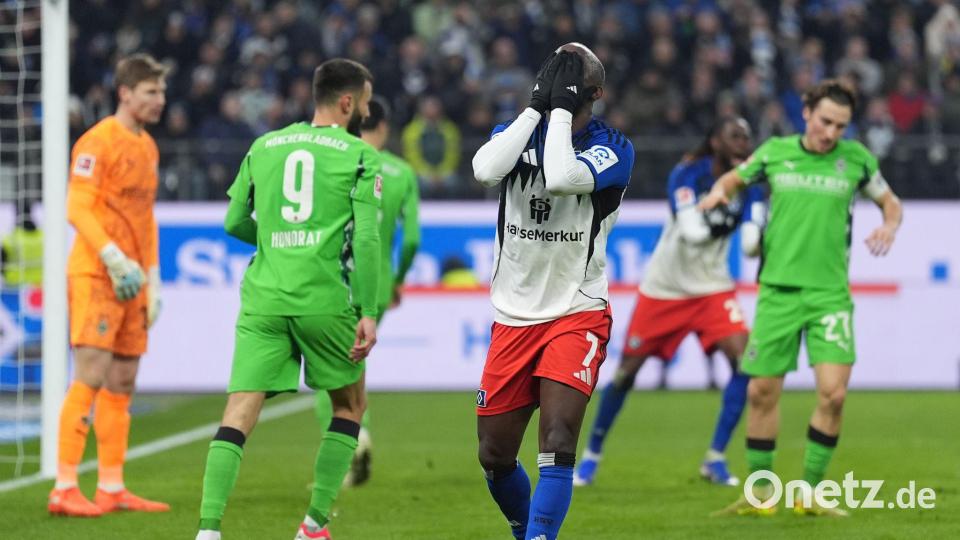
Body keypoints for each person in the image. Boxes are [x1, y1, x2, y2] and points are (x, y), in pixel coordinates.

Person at [194, 58, 381, 540]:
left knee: (238, 412)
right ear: (346, 102)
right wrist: (369, 311)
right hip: (324, 299)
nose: (367, 108)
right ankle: (313, 526)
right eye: (364, 99)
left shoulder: (265, 145)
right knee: (349, 406)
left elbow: (234, 221)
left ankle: (209, 530)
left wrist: (277, 241)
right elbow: (365, 241)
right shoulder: (359, 154)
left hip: (264, 298)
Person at [702, 79, 902, 516]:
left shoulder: (857, 160)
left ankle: (809, 493)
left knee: (834, 395)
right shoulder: (775, 152)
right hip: (777, 293)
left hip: (830, 296)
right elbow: (735, 178)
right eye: (826, 121)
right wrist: (721, 191)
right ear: (807, 112)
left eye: (841, 126)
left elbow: (891, 203)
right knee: (761, 392)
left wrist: (889, 224)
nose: (831, 133)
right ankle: (760, 496)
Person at [472, 44, 635, 540]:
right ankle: (527, 531)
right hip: (513, 316)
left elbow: (564, 178)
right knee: (494, 454)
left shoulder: (614, 146)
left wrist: (560, 112)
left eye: (571, 71)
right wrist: (535, 107)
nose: (560, 74)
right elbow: (484, 170)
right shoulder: (520, 131)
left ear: (595, 91)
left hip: (576, 311)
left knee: (558, 438)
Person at [574, 117, 765, 488]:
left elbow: (750, 241)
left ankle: (716, 458)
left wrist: (758, 229)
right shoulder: (687, 173)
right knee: (626, 374)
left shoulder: (750, 183)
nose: (744, 143)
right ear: (715, 141)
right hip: (665, 288)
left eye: (747, 136)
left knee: (746, 365)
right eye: (735, 136)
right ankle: (591, 457)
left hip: (713, 288)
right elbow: (692, 233)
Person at [49, 53, 168, 517]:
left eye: (161, 92)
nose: (160, 101)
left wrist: (153, 279)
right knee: (91, 375)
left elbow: (146, 218)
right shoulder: (97, 142)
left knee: (123, 379)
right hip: (98, 274)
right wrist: (114, 257)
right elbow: (77, 208)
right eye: (151, 92)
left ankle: (112, 485)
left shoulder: (149, 147)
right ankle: (62, 485)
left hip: (134, 280)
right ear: (125, 93)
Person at [314, 96, 421, 492]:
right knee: (356, 365)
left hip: (337, 277)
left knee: (330, 372)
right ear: (386, 128)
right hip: (377, 281)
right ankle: (358, 436)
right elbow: (411, 239)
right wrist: (397, 278)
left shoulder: (339, 161)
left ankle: (353, 442)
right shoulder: (402, 172)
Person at [1, 201, 43, 287]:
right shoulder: (44, 237)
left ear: (16, 214)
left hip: (15, 286)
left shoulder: (10, 239)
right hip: (40, 285)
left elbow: (2, 265)